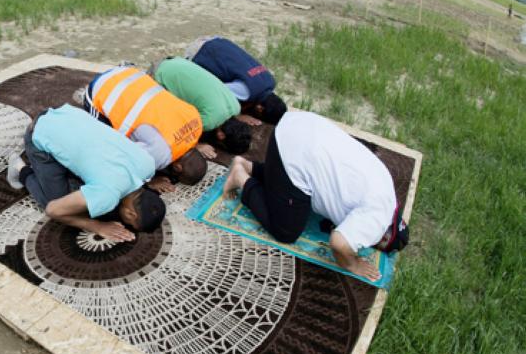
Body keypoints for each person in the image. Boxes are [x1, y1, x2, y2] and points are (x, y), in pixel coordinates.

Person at [222, 111, 409, 281]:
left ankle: (249, 167)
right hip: (292, 150)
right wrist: (353, 264)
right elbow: (339, 243)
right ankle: (242, 179)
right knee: (286, 231)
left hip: (299, 123)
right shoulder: (377, 222)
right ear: (383, 239)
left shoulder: (387, 187)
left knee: (297, 185)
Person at [7, 105, 166, 241]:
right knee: (55, 200)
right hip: (38, 132)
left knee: (88, 183)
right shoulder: (108, 195)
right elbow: (52, 210)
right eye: (130, 224)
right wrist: (96, 226)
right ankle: (20, 169)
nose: (126, 224)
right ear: (131, 214)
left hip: (68, 113)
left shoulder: (148, 165)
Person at [84, 65, 211, 192]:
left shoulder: (197, 122)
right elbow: (126, 164)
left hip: (128, 73)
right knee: (105, 142)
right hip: (100, 89)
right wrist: (149, 182)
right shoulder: (160, 155)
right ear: (177, 168)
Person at [153, 57, 254, 154]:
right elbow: (178, 131)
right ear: (221, 135)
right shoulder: (208, 122)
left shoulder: (236, 106)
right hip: (160, 74)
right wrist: (196, 146)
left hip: (178, 62)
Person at [187, 36, 287, 124]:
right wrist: (236, 115)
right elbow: (215, 91)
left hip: (219, 41)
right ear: (259, 109)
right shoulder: (246, 91)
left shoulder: (270, 81)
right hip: (201, 50)